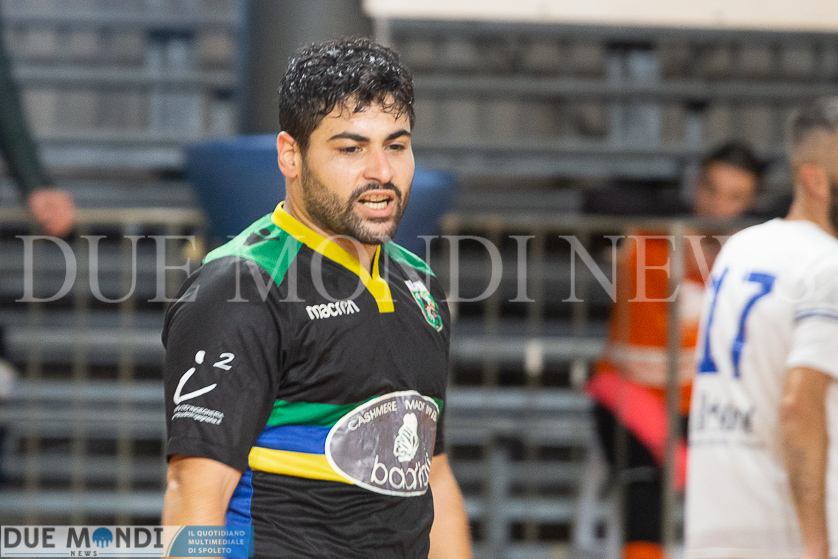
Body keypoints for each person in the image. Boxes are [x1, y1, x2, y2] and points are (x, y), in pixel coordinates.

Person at [160, 38, 473, 558]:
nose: (381, 171)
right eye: (352, 148)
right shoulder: (242, 287)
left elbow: (432, 477)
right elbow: (195, 495)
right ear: (290, 155)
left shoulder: (419, 284)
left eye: (396, 146)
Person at [586, 142, 764, 559]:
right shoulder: (647, 237)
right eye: (710, 189)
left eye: (734, 197)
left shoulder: (752, 258)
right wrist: (679, 216)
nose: (717, 205)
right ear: (694, 187)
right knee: (644, 483)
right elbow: (597, 201)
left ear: (751, 203)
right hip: (631, 397)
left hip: (707, 407)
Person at [685, 98, 838, 559]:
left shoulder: (740, 250)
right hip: (788, 535)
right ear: (815, 180)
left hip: (715, 526)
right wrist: (817, 545)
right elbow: (798, 407)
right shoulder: (826, 265)